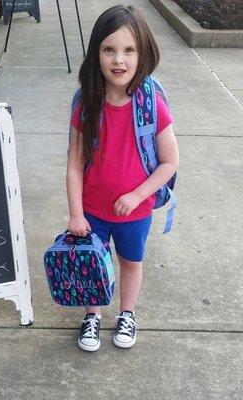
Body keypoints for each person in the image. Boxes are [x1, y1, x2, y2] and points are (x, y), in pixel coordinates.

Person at [67, 5, 179, 351]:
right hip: (93, 210)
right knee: (92, 264)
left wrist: (136, 195)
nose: (119, 60)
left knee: (130, 262)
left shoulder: (151, 105)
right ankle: (93, 315)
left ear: (142, 53)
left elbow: (169, 162)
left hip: (135, 210)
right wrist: (76, 213)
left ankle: (127, 313)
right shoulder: (87, 104)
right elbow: (74, 162)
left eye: (129, 50)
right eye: (109, 50)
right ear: (96, 53)